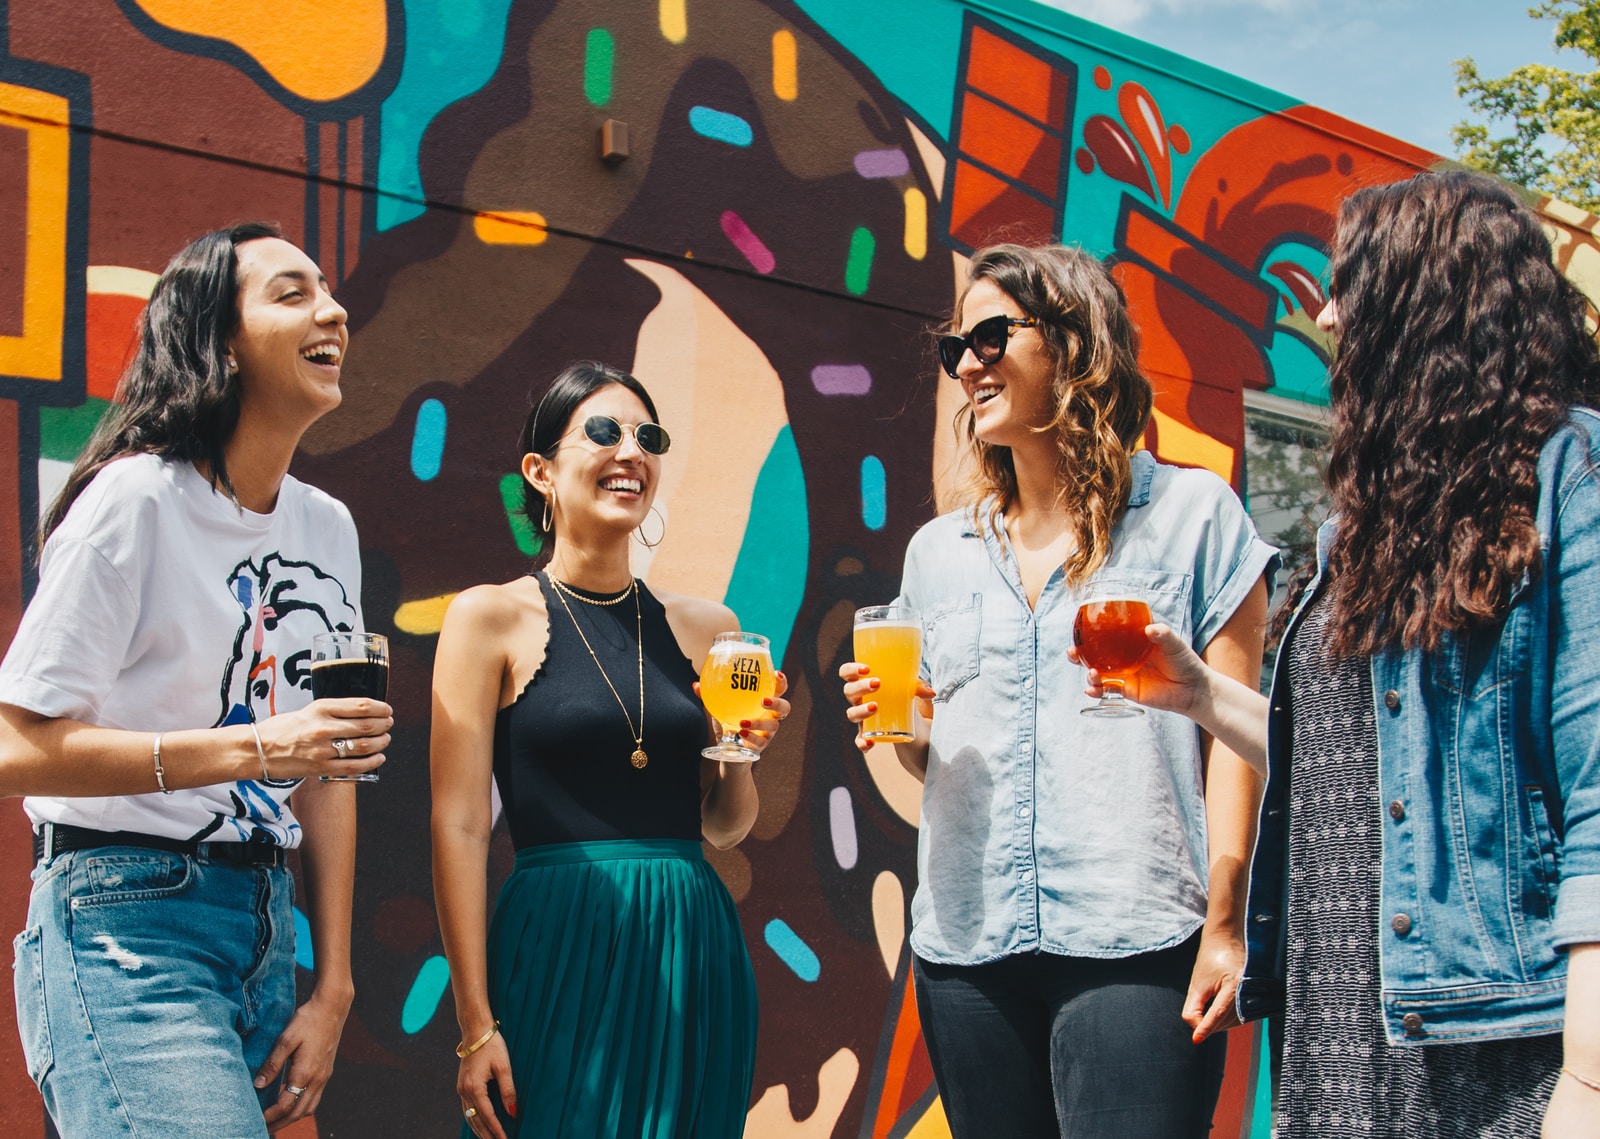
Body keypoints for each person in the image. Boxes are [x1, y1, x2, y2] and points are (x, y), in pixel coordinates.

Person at [1078, 171, 1600, 1139]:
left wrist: (1589, 1080)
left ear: (1426, 301)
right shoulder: (1361, 530)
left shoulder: (1569, 475)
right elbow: (1343, 770)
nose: (1323, 314)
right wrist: (1197, 692)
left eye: (1346, 286)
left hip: (1489, 1042)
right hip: (1337, 1025)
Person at [839, 244, 1278, 1138]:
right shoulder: (937, 553)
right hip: (967, 949)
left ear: (1077, 343)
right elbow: (938, 758)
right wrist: (906, 729)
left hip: (1140, 938)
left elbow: (1238, 743)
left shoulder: (1196, 518)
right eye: (955, 346)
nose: (968, 362)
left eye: (993, 334)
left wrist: (1227, 923)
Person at [0, 223, 390, 1138]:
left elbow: (330, 768)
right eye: (290, 293)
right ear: (219, 342)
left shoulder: (327, 528)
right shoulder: (136, 500)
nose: (331, 308)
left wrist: (332, 984)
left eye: (327, 289)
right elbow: (17, 747)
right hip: (125, 924)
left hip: (267, 928)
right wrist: (258, 746)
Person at [430, 362, 784, 1139]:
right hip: (558, 939)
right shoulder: (487, 617)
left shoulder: (714, 627)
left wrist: (741, 751)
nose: (631, 450)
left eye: (648, 437)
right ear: (540, 470)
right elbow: (457, 826)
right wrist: (475, 1022)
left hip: (691, 942)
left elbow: (725, 825)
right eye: (602, 430)